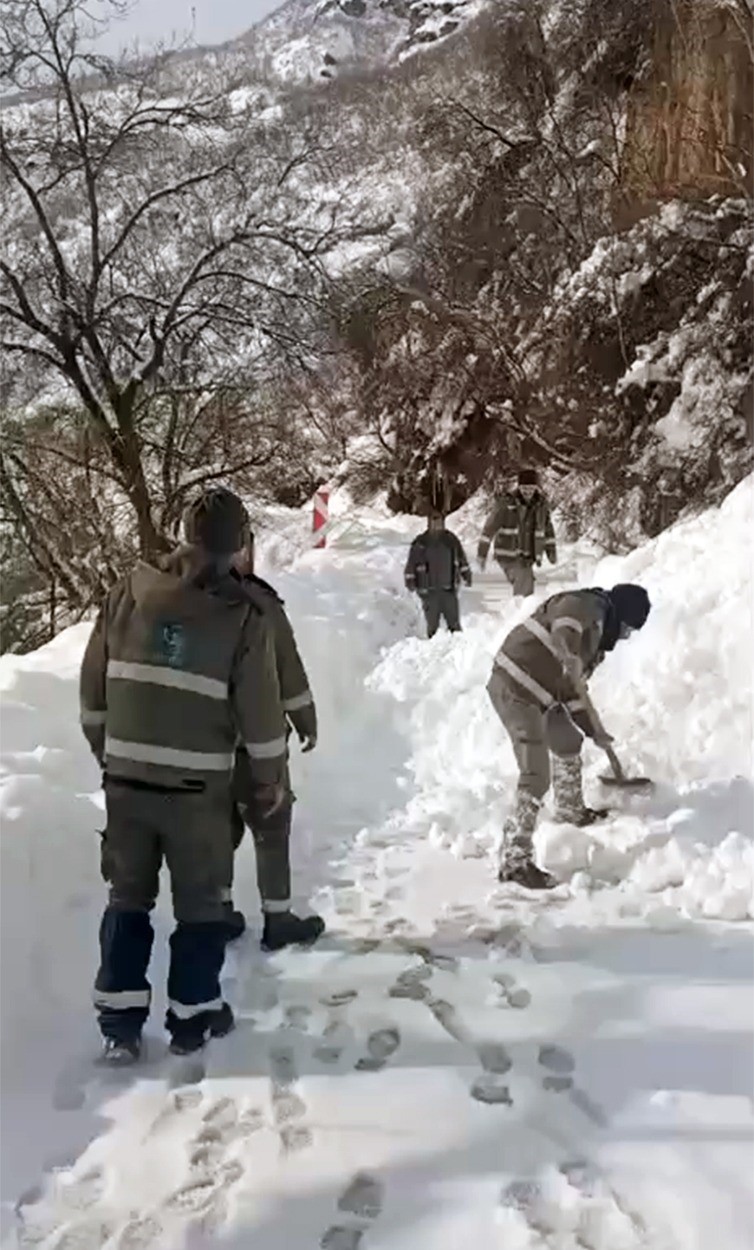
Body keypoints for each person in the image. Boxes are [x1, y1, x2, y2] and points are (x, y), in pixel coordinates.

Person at [80, 487, 288, 1063]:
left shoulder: (125, 593)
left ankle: (119, 1026)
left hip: (126, 785)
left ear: (182, 534)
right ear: (238, 546)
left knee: (127, 898)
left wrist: (110, 754)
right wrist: (269, 777)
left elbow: (92, 691)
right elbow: (261, 712)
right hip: (198, 794)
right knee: (200, 906)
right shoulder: (242, 617)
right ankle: (192, 1019)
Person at [487, 583, 651, 889]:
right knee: (535, 774)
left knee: (568, 741)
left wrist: (594, 731)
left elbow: (573, 692)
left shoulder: (596, 644)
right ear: (621, 615)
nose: (627, 636)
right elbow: (565, 625)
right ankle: (514, 860)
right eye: (628, 628)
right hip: (514, 686)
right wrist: (566, 649)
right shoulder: (584, 605)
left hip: (544, 696)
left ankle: (570, 809)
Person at [226, 531, 325, 952]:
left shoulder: (184, 601)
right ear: (242, 549)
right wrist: (305, 719)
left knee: (214, 832)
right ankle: (278, 918)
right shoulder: (260, 603)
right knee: (271, 825)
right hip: (257, 741)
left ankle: (216, 915)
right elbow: (287, 666)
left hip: (204, 746)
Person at [477, 468, 557, 597]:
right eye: (524, 488)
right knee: (524, 588)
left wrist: (551, 550)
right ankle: (520, 613)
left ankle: (519, 611)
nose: (528, 492)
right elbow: (489, 529)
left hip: (527, 557)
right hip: (508, 555)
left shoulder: (541, 506)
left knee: (527, 587)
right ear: (519, 487)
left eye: (531, 488)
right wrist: (482, 553)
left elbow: (548, 530)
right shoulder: (506, 504)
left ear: (536, 488)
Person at [404, 513, 472, 638]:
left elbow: (461, 559)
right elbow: (411, 564)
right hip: (429, 592)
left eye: (440, 521)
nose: (437, 524)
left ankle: (458, 651)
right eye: (434, 521)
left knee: (454, 625)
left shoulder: (450, 540)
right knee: (432, 627)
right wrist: (410, 581)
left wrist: (466, 574)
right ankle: (434, 650)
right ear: (429, 523)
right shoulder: (420, 543)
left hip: (448, 590)